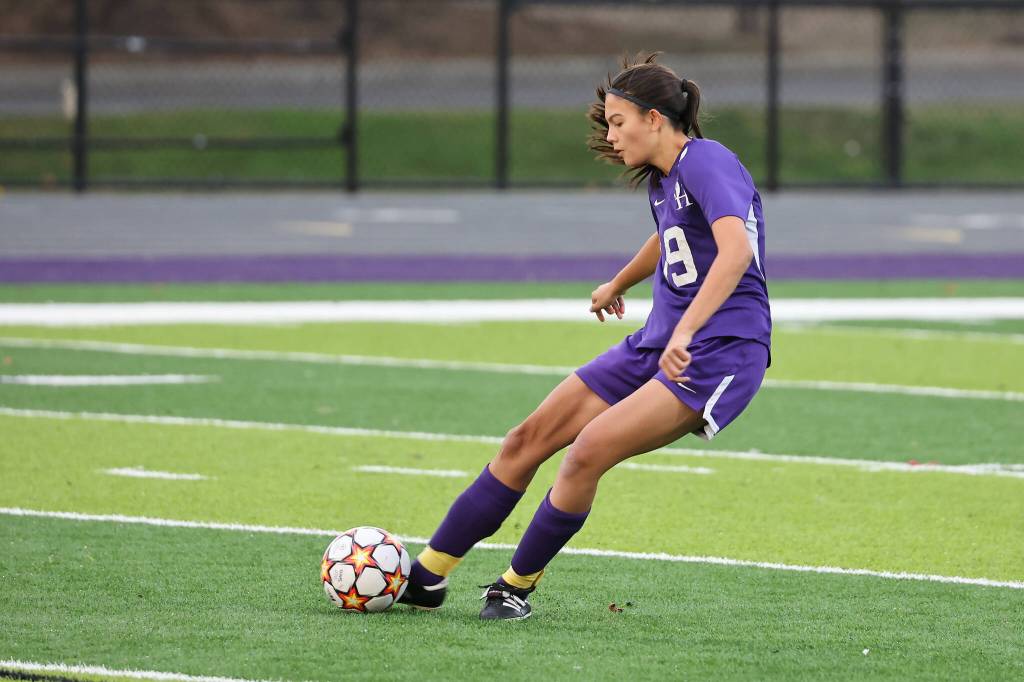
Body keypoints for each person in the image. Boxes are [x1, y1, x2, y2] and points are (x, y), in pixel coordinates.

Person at [398, 53, 772, 620]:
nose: (611, 136)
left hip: (719, 352)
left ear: (653, 118)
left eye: (618, 122)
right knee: (525, 439)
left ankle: (513, 588)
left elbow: (736, 250)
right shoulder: (666, 178)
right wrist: (619, 281)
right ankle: (427, 577)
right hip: (658, 342)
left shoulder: (707, 159)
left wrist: (688, 329)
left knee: (587, 451)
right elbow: (670, 236)